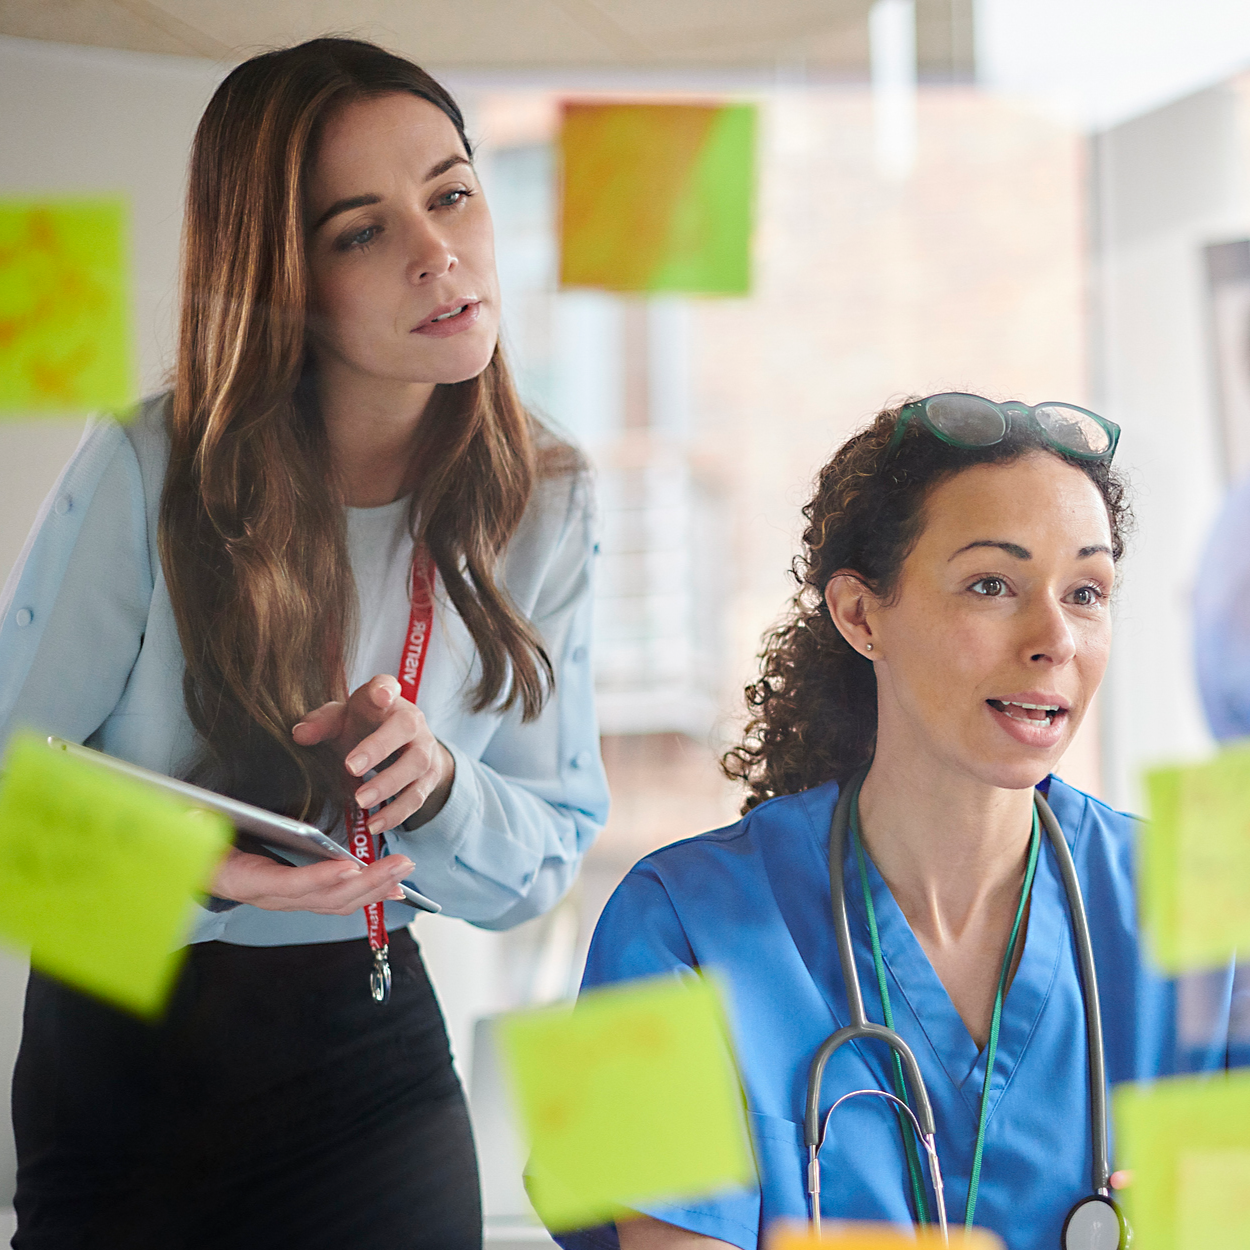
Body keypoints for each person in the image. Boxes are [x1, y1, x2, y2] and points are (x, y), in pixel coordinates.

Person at [0, 37, 608, 1250]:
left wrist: (436, 788)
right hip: (128, 1041)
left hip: (370, 1037)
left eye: (451, 192)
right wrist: (214, 873)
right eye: (360, 230)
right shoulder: (148, 467)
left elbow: (543, 857)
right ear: (282, 275)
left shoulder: (544, 494)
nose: (438, 252)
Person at [556, 395, 1241, 1250]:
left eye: (1088, 591)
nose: (1054, 638)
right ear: (861, 615)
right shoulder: (660, 917)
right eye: (992, 584)